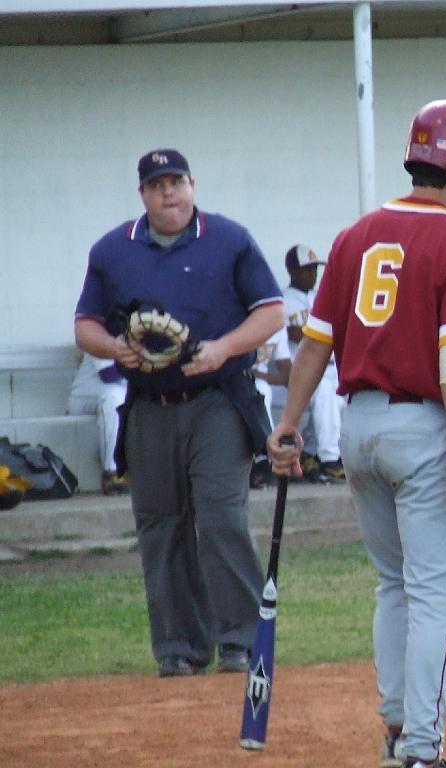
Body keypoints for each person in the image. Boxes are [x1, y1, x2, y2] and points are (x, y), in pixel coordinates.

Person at [266, 100, 446, 768]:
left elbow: (315, 345)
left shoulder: (354, 235)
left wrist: (288, 424)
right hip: (422, 427)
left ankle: (398, 732)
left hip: (359, 425)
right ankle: (421, 749)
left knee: (394, 584)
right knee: (435, 595)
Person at [73, 148, 285, 678]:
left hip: (217, 397)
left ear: (193, 184)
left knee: (220, 517)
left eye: (176, 181)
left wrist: (224, 347)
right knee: (160, 525)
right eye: (156, 184)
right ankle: (179, 647)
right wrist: (112, 347)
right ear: (142, 194)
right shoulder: (112, 249)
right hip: (149, 404)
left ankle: (238, 641)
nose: (168, 192)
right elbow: (86, 324)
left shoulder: (228, 239)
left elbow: (272, 312)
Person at [280, 244, 346, 483]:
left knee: (349, 394)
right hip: (298, 371)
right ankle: (330, 460)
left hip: (330, 367)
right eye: (307, 269)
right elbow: (298, 335)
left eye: (314, 269)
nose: (313, 274)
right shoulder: (283, 301)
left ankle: (311, 452)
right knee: (326, 394)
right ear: (293, 271)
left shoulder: (321, 297)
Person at [67, 352, 129, 494]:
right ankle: (112, 472)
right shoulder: (104, 331)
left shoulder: (149, 335)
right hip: (84, 396)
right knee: (115, 398)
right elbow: (108, 374)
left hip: (119, 391)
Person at [250, 324, 291, 489]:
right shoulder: (240, 317)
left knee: (262, 388)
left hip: (257, 379)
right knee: (260, 390)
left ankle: (265, 457)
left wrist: (259, 375)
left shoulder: (277, 326)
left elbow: (288, 376)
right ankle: (263, 456)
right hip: (229, 382)